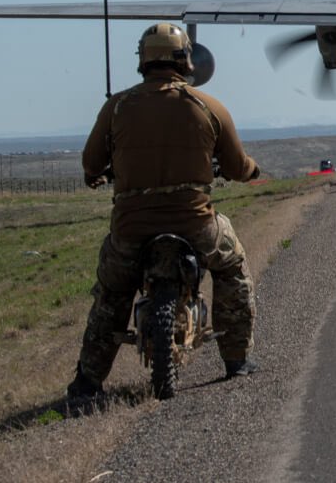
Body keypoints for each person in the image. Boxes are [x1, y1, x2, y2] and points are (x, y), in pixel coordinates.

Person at [66, 23, 262, 405]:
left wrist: (98, 175)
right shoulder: (208, 106)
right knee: (233, 268)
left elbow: (91, 162)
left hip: (131, 230)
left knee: (112, 294)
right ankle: (236, 359)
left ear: (143, 59)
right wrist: (253, 169)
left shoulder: (117, 106)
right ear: (185, 58)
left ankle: (87, 383)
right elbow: (238, 167)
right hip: (196, 225)